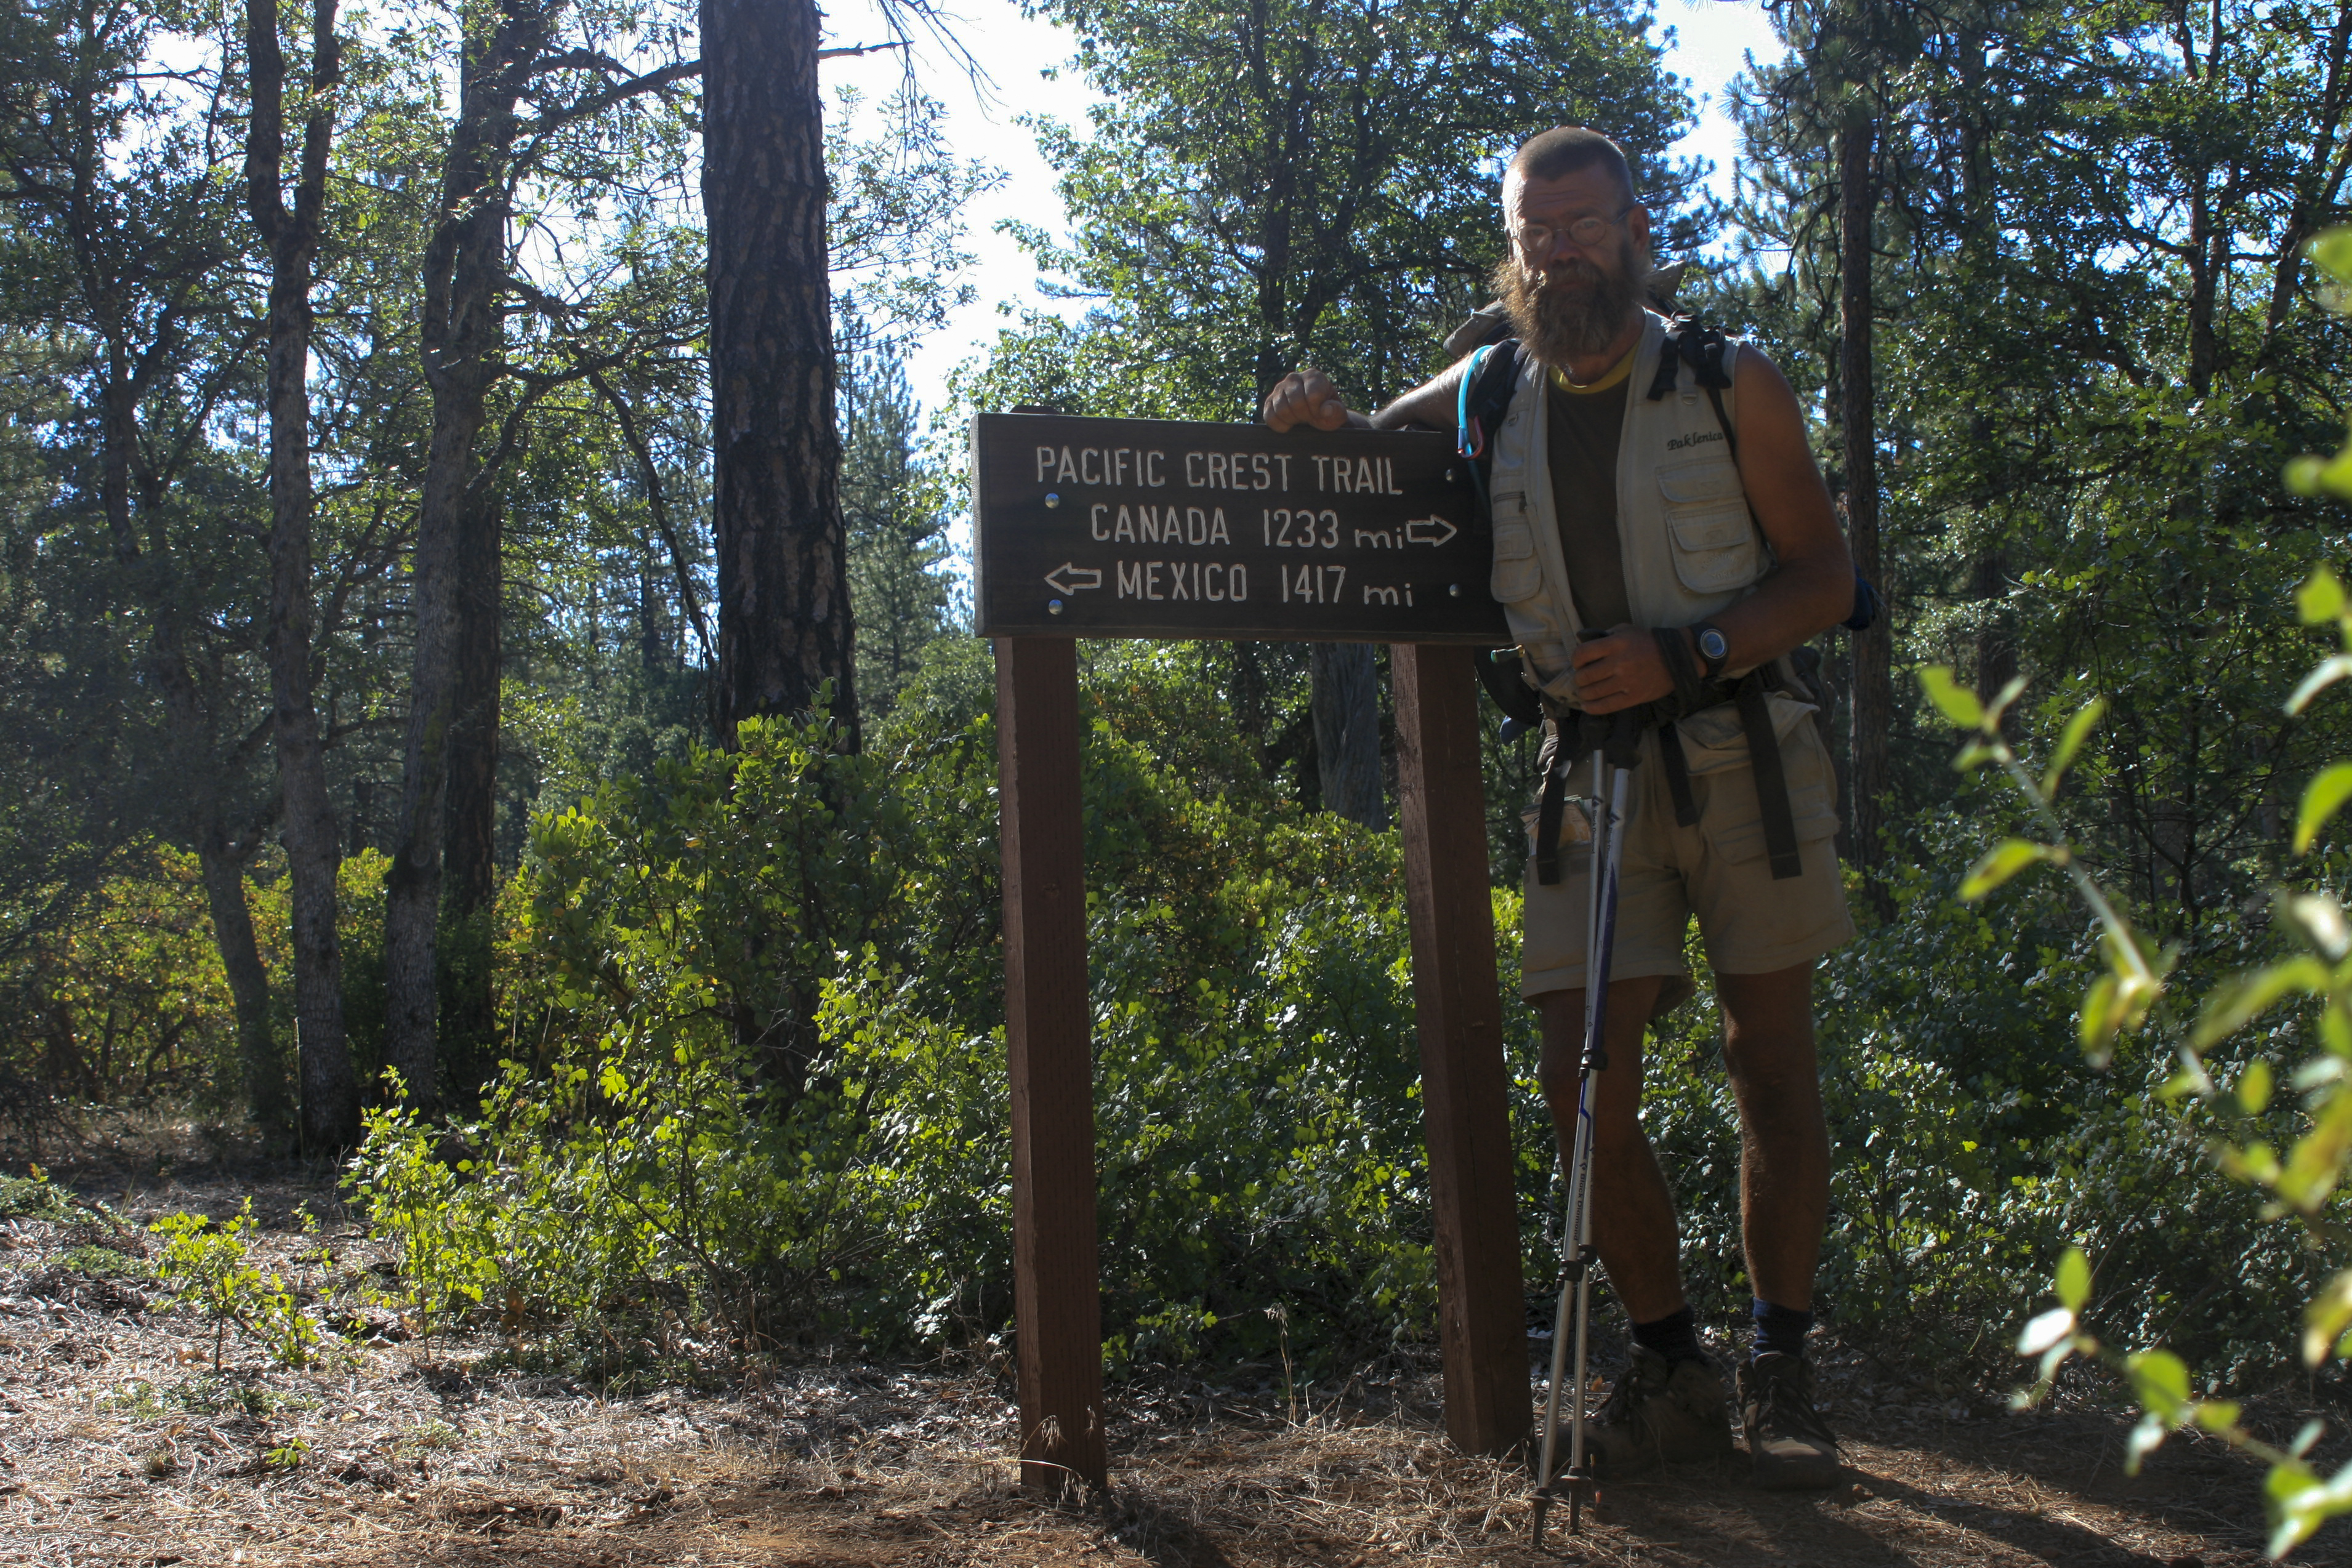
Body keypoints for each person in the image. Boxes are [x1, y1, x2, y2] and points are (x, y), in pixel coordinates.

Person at [1263, 126, 1856, 1489]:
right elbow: (1363, 446)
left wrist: (1691, 649)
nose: (1560, 250)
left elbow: (1825, 575)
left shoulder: (1727, 379)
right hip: (1584, 776)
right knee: (1578, 1081)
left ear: (1630, 225)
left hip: (1740, 755)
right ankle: (1668, 1364)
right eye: (1537, 231)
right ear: (1513, 243)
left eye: (1581, 224)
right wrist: (1311, 417)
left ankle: (1783, 1364)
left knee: (1768, 1061)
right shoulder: (1486, 388)